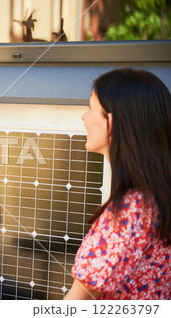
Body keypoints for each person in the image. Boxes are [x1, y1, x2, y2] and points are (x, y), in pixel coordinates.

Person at [65, 68, 171, 300]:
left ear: (110, 123)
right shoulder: (157, 199)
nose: (84, 116)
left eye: (91, 107)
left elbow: (74, 304)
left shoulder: (131, 210)